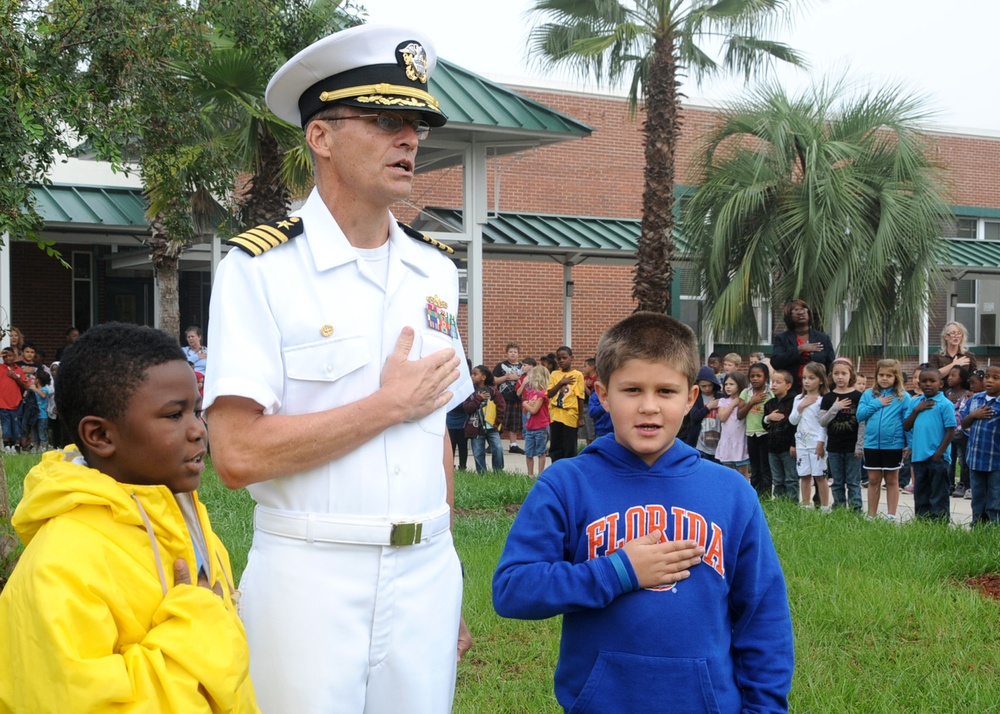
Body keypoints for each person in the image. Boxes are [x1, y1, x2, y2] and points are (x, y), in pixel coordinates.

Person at [202, 25, 473, 713]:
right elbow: (236, 455)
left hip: (426, 571)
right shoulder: (261, 269)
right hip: (310, 574)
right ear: (320, 136)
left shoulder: (435, 270)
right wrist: (385, 406)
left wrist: (445, 571)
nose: (409, 139)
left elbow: (435, 434)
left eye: (416, 125)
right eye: (385, 121)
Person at [492, 312, 794, 713]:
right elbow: (512, 590)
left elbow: (763, 616)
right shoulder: (566, 484)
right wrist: (618, 572)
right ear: (603, 394)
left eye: (666, 391)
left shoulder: (731, 492)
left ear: (690, 398)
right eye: (632, 390)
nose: (649, 407)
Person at [0, 322, 256, 713]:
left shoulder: (182, 516)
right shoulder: (59, 568)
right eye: (174, 415)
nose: (198, 430)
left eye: (196, 410)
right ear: (100, 436)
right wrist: (197, 624)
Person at [858, 359, 911, 523]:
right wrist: (877, 403)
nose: (884, 378)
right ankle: (871, 515)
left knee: (891, 480)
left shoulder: (903, 397)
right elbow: (860, 415)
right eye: (881, 375)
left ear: (896, 377)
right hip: (871, 444)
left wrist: (909, 444)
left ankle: (891, 516)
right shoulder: (868, 395)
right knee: (873, 479)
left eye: (889, 375)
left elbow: (907, 422)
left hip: (893, 445)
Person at [903, 367, 955, 522]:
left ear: (941, 384)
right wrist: (916, 411)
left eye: (932, 381)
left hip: (938, 458)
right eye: (924, 381)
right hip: (919, 456)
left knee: (938, 493)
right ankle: (922, 522)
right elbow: (906, 426)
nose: (927, 384)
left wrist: (939, 453)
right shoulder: (915, 402)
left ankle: (940, 522)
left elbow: (950, 431)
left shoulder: (945, 404)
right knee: (921, 492)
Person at [819, 358, 864, 512]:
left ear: (850, 375)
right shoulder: (828, 398)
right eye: (836, 373)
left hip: (853, 447)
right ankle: (838, 509)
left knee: (853, 481)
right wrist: (835, 407)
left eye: (844, 373)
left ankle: (856, 510)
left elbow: (862, 423)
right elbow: (822, 421)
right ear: (831, 376)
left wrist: (860, 445)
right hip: (834, 447)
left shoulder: (858, 396)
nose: (840, 377)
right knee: (837, 482)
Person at [959, 365, 1000, 525]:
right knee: (977, 496)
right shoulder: (976, 399)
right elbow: (963, 423)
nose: (989, 381)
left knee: (995, 497)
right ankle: (977, 524)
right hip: (976, 459)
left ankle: (994, 526)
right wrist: (974, 415)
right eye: (987, 377)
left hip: (995, 461)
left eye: (996, 378)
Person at [789, 362, 831, 511]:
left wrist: (821, 442)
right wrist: (801, 407)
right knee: (804, 475)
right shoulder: (798, 399)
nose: (806, 381)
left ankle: (825, 507)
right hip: (801, 443)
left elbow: (823, 424)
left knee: (820, 476)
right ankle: (806, 505)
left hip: (817, 443)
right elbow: (793, 420)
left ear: (821, 380)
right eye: (804, 378)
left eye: (811, 378)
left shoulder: (824, 400)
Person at [770, 299, 835, 394]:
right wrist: (799, 349)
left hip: (818, 391)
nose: (801, 313)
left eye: (804, 309)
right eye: (796, 310)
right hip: (791, 391)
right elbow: (775, 362)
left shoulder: (822, 338)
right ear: (789, 316)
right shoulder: (782, 338)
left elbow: (831, 366)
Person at [738, 362, 774, 496]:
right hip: (751, 434)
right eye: (752, 376)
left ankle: (766, 495)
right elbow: (739, 415)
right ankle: (754, 495)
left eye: (759, 376)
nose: (755, 379)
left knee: (765, 467)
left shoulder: (770, 393)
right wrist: (752, 402)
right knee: (754, 467)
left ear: (765, 377)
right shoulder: (745, 393)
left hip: (765, 434)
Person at [463, 365, 505, 473]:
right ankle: (482, 474)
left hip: (492, 427)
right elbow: (467, 408)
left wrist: (497, 422)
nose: (472, 376)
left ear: (483, 377)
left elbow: (501, 407)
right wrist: (478, 398)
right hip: (476, 428)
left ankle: (498, 472)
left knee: (498, 448)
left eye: (475, 374)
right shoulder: (470, 392)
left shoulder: (493, 392)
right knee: (478, 453)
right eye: (471, 374)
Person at [546, 346, 586, 461]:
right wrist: (561, 383)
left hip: (570, 415)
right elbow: (549, 394)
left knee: (569, 446)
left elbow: (580, 397)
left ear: (571, 358)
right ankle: (556, 467)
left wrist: (581, 417)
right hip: (556, 415)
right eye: (559, 358)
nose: (561, 361)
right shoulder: (554, 374)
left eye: (564, 358)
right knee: (555, 446)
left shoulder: (577, 375)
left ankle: (569, 468)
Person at [763, 370, 798, 501]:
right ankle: (780, 503)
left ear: (788, 385)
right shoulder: (769, 403)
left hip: (788, 447)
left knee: (791, 478)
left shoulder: (794, 401)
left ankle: (792, 504)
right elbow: (764, 425)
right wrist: (768, 418)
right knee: (777, 479)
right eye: (773, 382)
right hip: (772, 447)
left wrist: (794, 444)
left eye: (778, 382)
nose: (774, 385)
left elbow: (796, 426)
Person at [716, 371, 750, 480]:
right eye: (726, 384)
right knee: (727, 473)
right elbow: (722, 417)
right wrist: (733, 404)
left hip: (740, 441)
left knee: (743, 473)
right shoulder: (723, 401)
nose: (728, 387)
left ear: (739, 385)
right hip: (727, 442)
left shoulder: (745, 400)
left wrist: (739, 402)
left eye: (731, 384)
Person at [944, 366, 971, 498]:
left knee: (963, 461)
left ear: (961, 379)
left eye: (953, 375)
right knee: (950, 460)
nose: (949, 378)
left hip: (962, 434)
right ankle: (949, 484)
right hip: (948, 434)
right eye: (949, 375)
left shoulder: (968, 394)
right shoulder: (946, 394)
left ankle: (963, 484)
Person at [492, 342, 524, 453]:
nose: (513, 354)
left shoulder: (523, 367)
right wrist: (506, 377)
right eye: (510, 352)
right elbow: (493, 380)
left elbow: (529, 380)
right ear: (506, 353)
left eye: (515, 352)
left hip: (517, 398)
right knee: (499, 420)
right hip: (502, 398)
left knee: (514, 422)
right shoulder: (500, 366)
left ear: (518, 354)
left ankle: (513, 445)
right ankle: (494, 444)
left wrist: (517, 378)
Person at [520, 364, 551, 477]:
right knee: (529, 452)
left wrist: (525, 404)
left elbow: (534, 410)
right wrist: (527, 404)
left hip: (541, 428)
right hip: (530, 427)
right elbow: (526, 412)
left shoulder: (542, 394)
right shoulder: (531, 393)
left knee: (541, 452)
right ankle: (530, 474)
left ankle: (540, 474)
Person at [690, 366, 723, 461]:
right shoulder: (696, 398)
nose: (707, 388)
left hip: (718, 444)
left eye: (710, 385)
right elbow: (694, 417)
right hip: (700, 445)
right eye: (703, 386)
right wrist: (708, 407)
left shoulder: (720, 397)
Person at [1, 347, 26, 454]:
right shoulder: (1, 368)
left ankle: (16, 445)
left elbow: (24, 386)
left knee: (16, 425)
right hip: (3, 402)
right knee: (6, 425)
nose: (8, 358)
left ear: (14, 357)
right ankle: (7, 445)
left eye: (10, 356)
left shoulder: (18, 370)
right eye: (5, 356)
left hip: (16, 402)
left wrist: (15, 377)